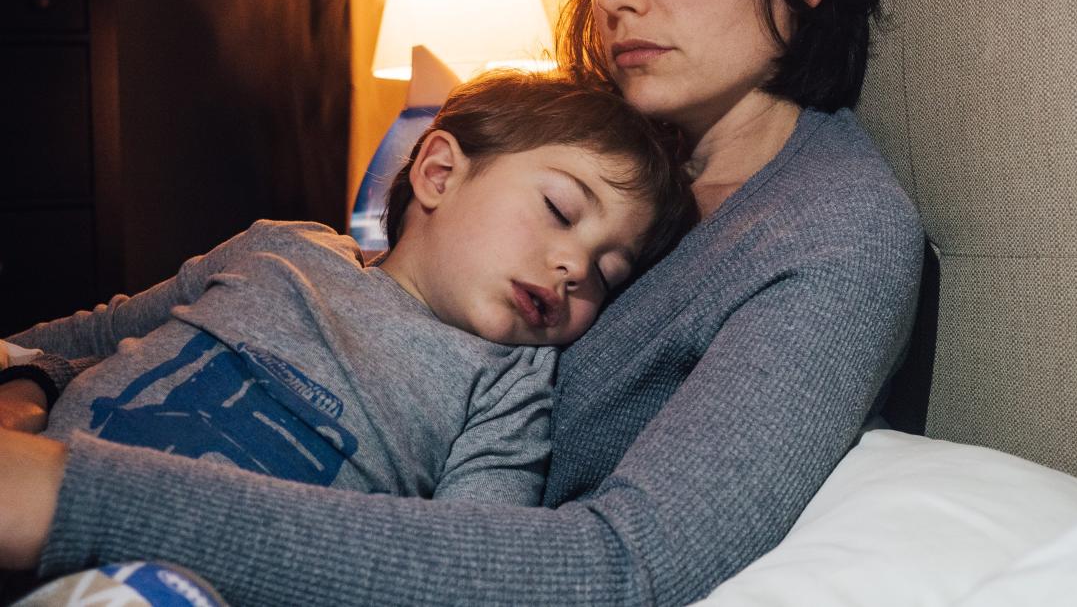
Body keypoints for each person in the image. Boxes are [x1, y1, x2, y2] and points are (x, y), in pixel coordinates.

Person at [0, 0, 942, 605]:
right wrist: (37, 382)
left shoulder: (832, 237)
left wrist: (68, 496)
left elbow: (623, 569)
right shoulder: (604, 146)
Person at [1, 70, 691, 505]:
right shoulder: (281, 249)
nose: (575, 268)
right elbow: (90, 335)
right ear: (440, 174)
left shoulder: (508, 386)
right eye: (562, 212)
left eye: (607, 275)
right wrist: (32, 378)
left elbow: (467, 549)